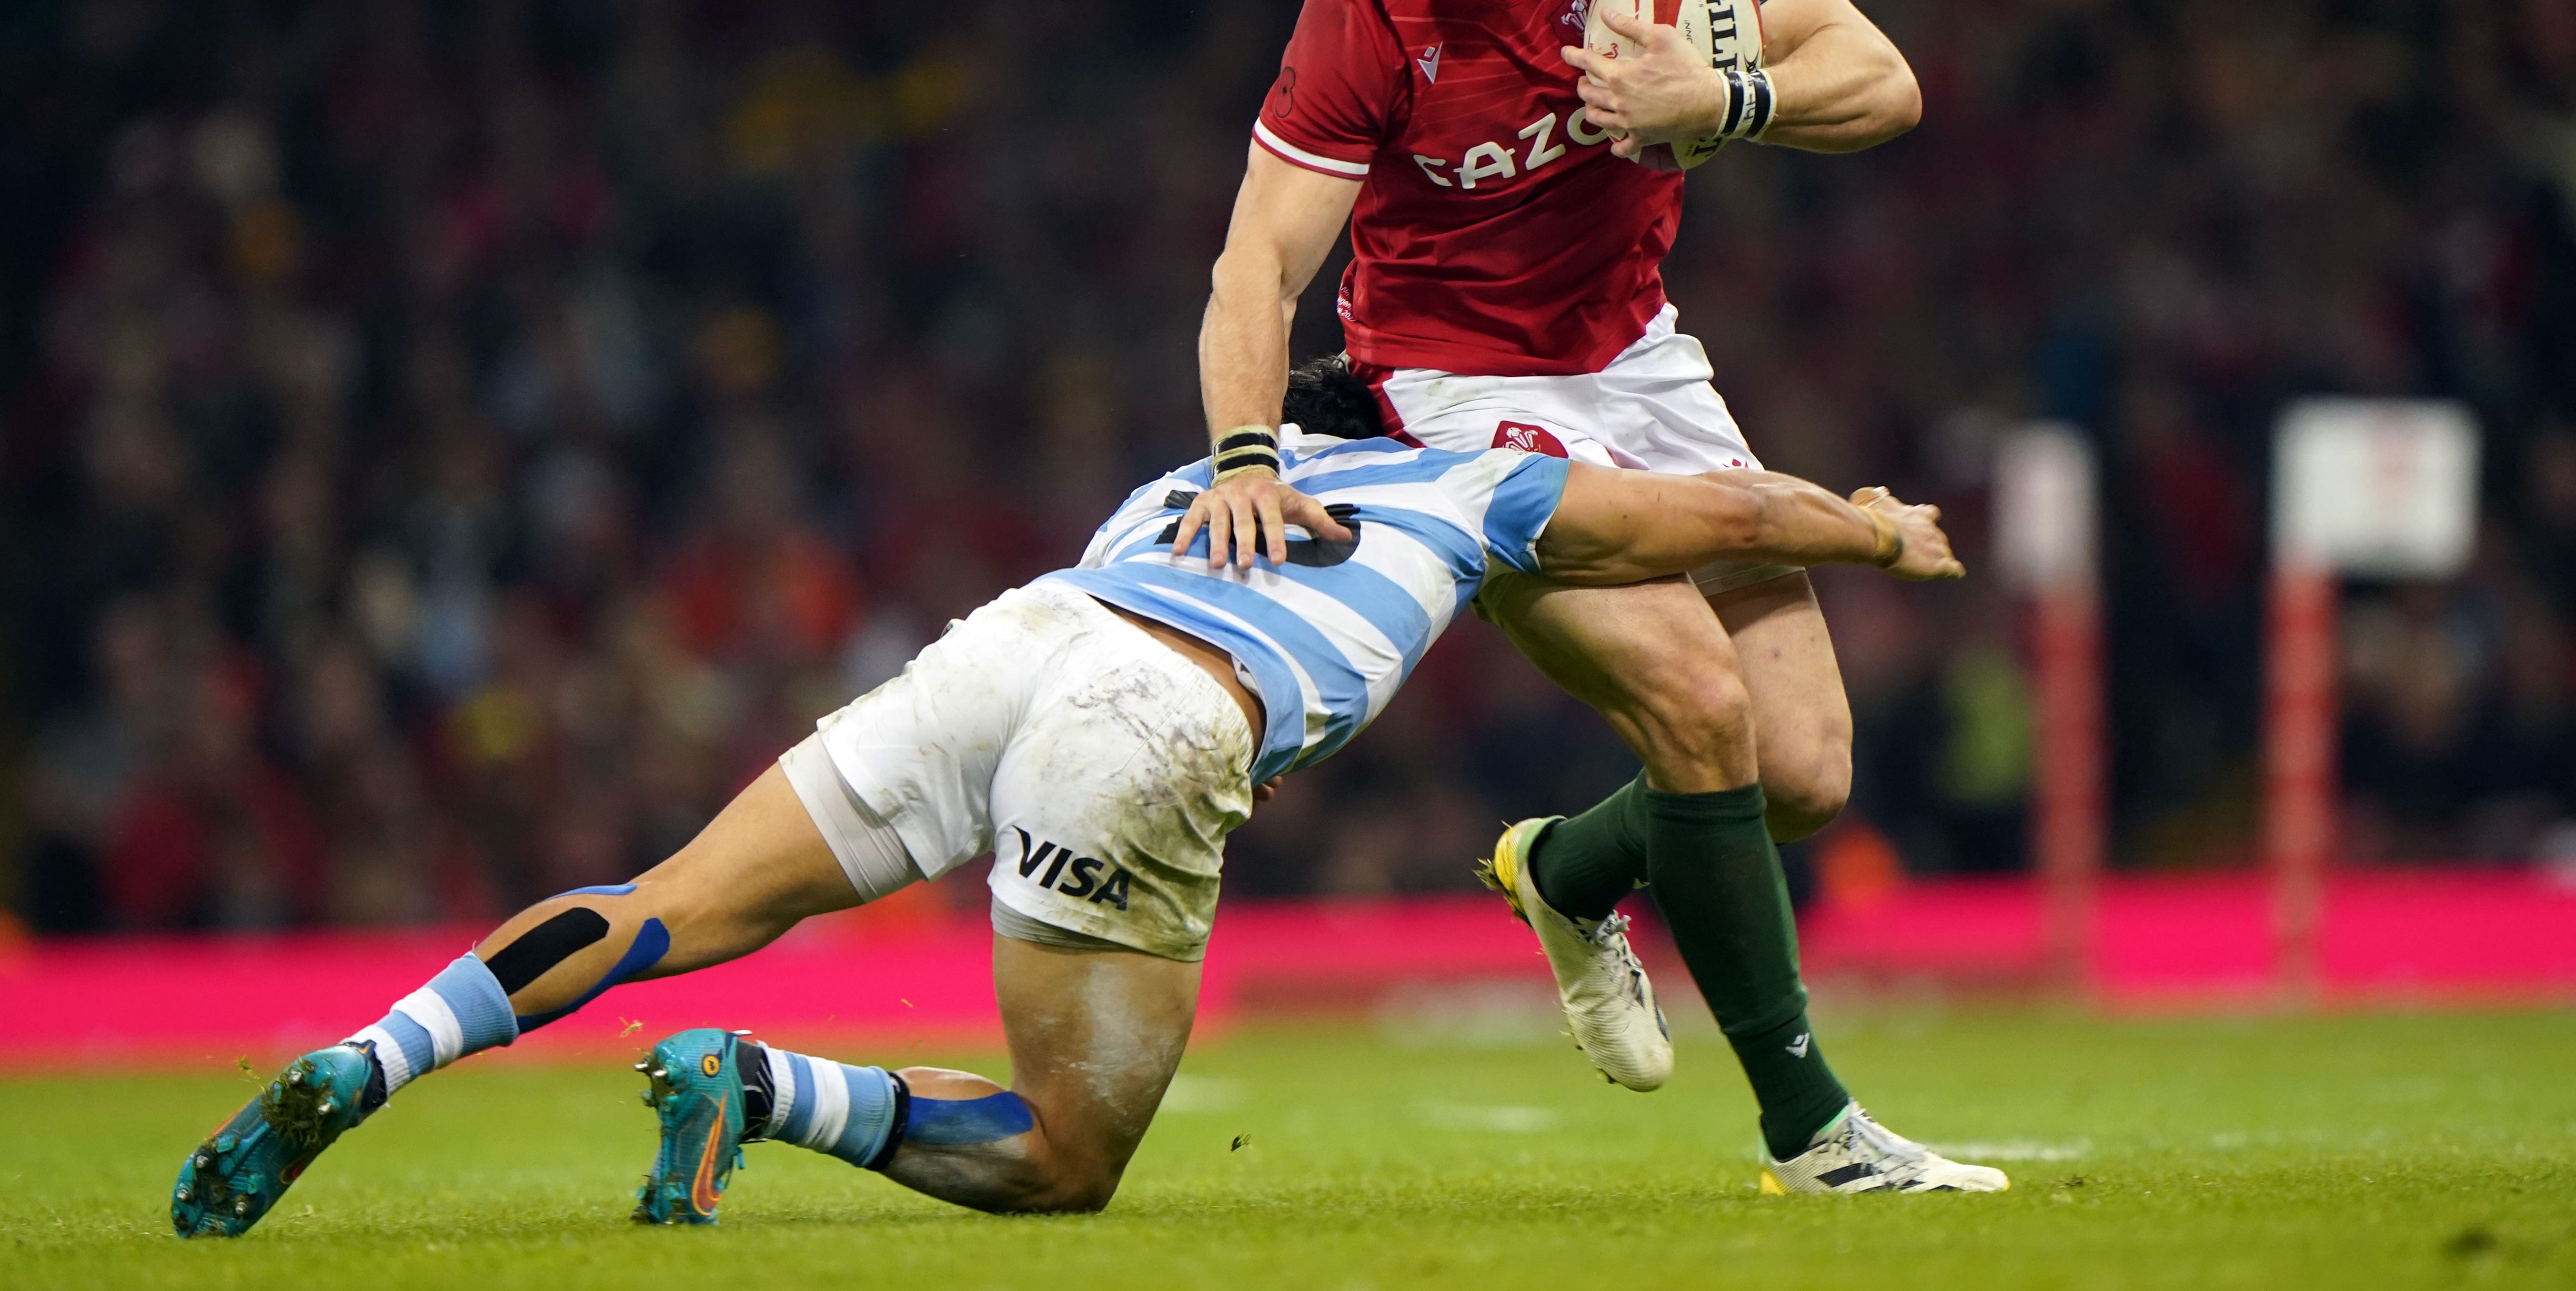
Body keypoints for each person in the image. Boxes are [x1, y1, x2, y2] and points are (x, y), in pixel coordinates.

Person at [171, 360, 1998, 1241]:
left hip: (1035, 627)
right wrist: (1874, 527)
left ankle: (377, 1057)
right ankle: (765, 1089)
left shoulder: (1181, 476)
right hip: (1151, 718)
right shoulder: (1480, 486)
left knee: (668, 898)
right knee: (1067, 1159)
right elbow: (1725, 516)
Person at [1187, 0, 1928, 1165]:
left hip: (1636, 363)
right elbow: (1256, 270)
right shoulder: (1365, 7)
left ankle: (1567, 875)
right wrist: (1245, 456)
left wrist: (1728, 97)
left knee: (1805, 776)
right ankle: (1816, 1133)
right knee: (1701, 710)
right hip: (1455, 401)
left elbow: (1888, 83)